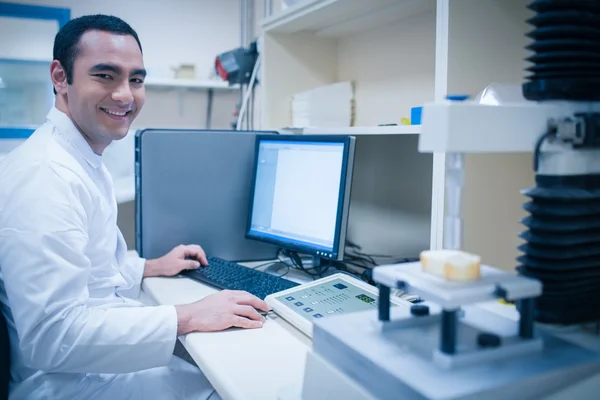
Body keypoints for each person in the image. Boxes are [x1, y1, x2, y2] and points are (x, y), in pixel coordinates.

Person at [0, 14, 270, 400]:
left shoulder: (79, 158)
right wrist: (189, 315)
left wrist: (152, 266)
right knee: (237, 386)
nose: (126, 95)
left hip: (89, 367)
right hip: (67, 384)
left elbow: (93, 270)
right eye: (105, 76)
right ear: (60, 77)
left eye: (136, 79)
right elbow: (51, 337)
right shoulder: (44, 176)